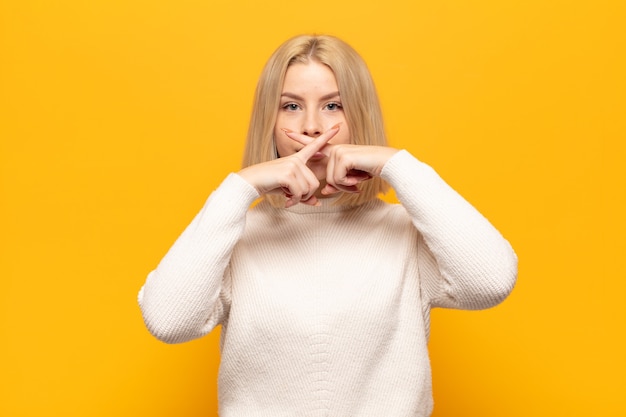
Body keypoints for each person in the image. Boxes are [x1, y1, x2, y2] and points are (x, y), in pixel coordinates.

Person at [138, 34, 517, 416]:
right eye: (290, 106)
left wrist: (396, 164)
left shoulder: (404, 233)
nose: (312, 126)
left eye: (333, 105)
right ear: (268, 121)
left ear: (360, 115)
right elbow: (169, 322)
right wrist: (240, 188)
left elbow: (491, 282)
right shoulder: (234, 237)